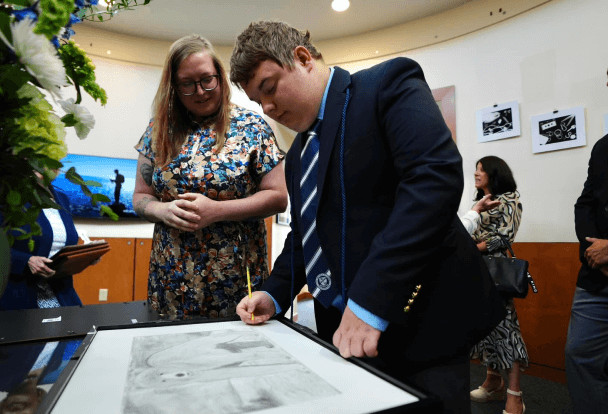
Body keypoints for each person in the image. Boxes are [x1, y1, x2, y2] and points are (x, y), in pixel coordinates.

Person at [230, 21, 505, 413]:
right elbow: (307, 231)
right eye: (258, 101)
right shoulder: (296, 157)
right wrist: (274, 291)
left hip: (423, 323)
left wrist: (370, 300)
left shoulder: (386, 85)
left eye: (270, 88)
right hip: (344, 337)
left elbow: (433, 180)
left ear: (303, 58)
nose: (268, 108)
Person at [132, 34, 287, 318]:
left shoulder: (252, 126)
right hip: (171, 278)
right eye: (187, 84)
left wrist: (217, 211)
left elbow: (278, 198)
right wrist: (162, 210)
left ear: (220, 76)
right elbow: (141, 197)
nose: (200, 91)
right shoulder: (158, 130)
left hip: (236, 278)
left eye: (207, 80)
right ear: (174, 87)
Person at [468, 156, 527, 414]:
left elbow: (505, 236)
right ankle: (494, 382)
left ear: (494, 173)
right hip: (475, 270)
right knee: (485, 327)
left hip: (497, 271)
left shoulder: (510, 199)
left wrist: (475, 247)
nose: (476, 173)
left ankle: (515, 395)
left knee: (506, 328)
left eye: (481, 170)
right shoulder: (477, 203)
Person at [565, 130, 608, 413]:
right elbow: (586, 203)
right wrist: (597, 253)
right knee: (578, 353)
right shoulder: (603, 146)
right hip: (596, 276)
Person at [0, 174, 83, 310]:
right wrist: (27, 260)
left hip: (61, 295)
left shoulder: (62, 198)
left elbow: (64, 244)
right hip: (17, 296)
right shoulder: (9, 196)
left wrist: (84, 256)